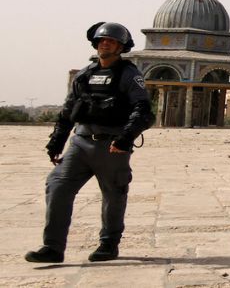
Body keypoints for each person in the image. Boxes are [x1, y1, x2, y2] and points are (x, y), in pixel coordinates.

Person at [26, 22, 154, 264]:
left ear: (120, 47)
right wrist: (56, 143)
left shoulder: (128, 75)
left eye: (111, 41)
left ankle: (108, 244)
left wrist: (125, 139)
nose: (105, 43)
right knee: (57, 186)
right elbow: (68, 111)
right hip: (80, 143)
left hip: (111, 146)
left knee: (113, 194)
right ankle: (52, 247)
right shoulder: (85, 74)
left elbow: (143, 111)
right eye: (102, 40)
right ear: (95, 43)